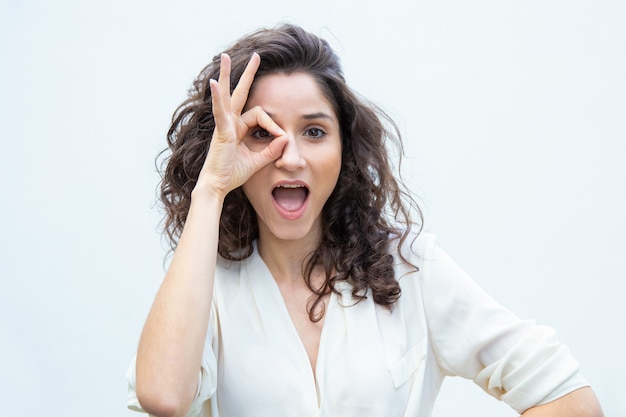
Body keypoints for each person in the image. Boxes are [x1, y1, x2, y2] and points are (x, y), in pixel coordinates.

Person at [126, 24, 603, 417]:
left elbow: (567, 396)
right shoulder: (205, 286)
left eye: (314, 131)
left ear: (344, 148)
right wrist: (212, 187)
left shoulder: (411, 268)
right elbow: (161, 397)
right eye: (260, 132)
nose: (289, 157)